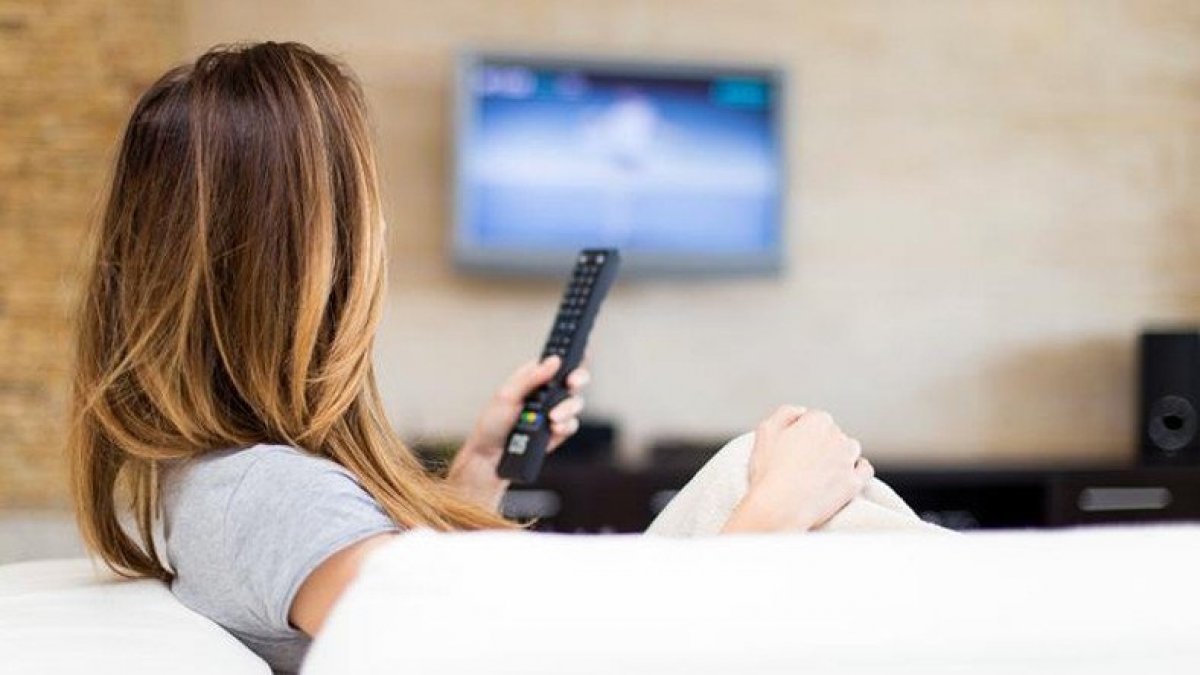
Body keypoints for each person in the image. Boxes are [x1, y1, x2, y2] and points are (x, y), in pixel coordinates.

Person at [68, 42, 877, 674]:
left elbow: (411, 606)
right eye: (364, 205)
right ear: (309, 257)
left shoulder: (226, 478)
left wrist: (480, 469)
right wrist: (770, 517)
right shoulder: (269, 494)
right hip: (673, 625)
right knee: (799, 481)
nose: (381, 233)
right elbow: (540, 660)